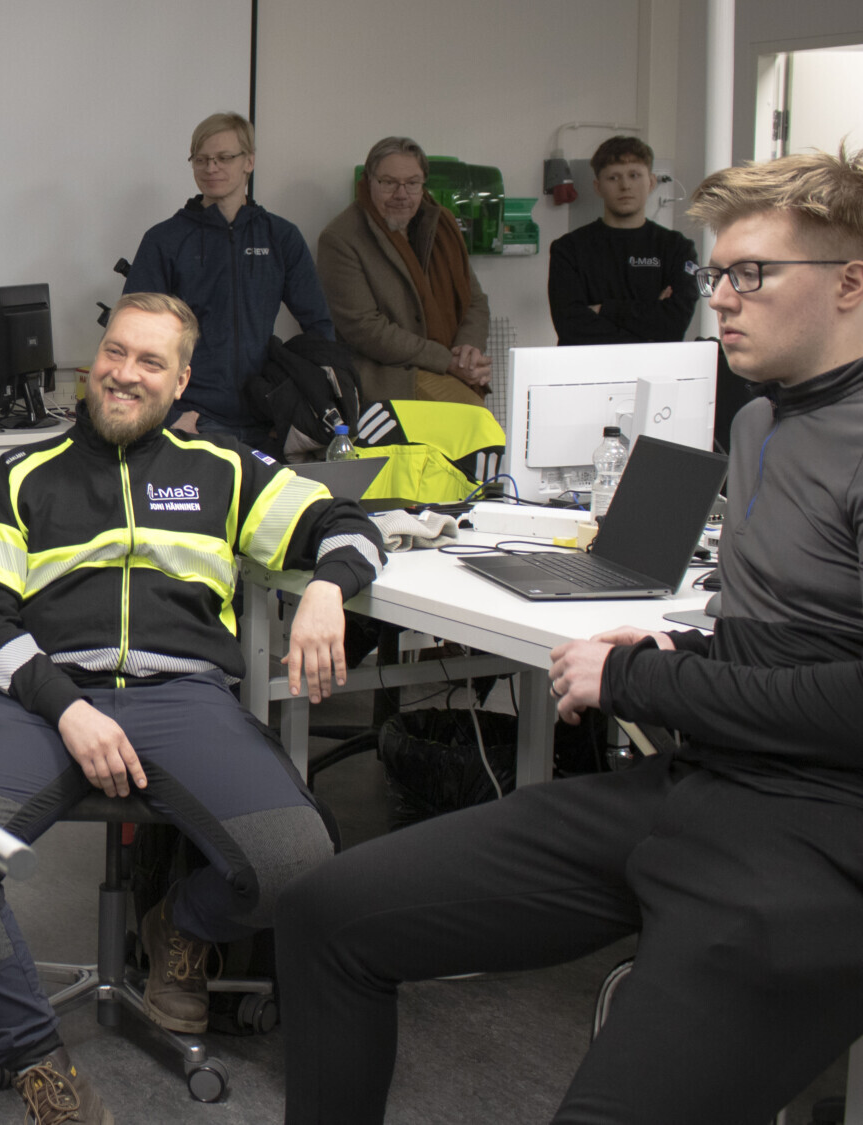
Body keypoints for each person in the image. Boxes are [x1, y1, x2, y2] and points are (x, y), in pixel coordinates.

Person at [278, 147, 863, 1125]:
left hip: (819, 837)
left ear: (849, 282)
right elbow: (793, 638)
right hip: (703, 784)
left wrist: (637, 680)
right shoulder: (762, 423)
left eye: (753, 274)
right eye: (717, 272)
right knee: (323, 914)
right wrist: (685, 655)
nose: (720, 298)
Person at [0, 292, 385, 1123]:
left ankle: (178, 923)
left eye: (151, 361)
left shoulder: (223, 467)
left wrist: (329, 587)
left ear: (181, 382)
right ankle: (37, 1063)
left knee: (299, 864)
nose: (126, 373)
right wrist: (66, 707)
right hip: (39, 695)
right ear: (92, 362)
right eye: (116, 352)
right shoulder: (22, 473)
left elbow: (347, 523)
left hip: (182, 694)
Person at [124, 111, 334, 452]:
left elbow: (319, 331)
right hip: (193, 421)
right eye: (201, 159)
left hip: (267, 421)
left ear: (249, 161)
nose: (211, 168)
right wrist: (171, 416)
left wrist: (302, 408)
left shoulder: (281, 237)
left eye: (224, 158)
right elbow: (133, 334)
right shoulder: (165, 240)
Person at [317, 137, 493, 406]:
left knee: (478, 422)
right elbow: (365, 328)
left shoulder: (442, 223)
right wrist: (446, 361)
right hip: (390, 375)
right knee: (471, 415)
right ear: (369, 181)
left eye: (412, 183)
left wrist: (468, 352)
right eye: (389, 183)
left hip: (449, 364)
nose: (401, 194)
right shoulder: (341, 238)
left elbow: (474, 300)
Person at [548, 135, 701, 345]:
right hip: (588, 365)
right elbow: (571, 328)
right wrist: (648, 329)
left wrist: (604, 309)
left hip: (654, 365)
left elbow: (674, 323)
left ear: (651, 182)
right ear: (597, 187)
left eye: (634, 175)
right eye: (613, 178)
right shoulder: (569, 249)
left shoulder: (677, 249)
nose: (625, 186)